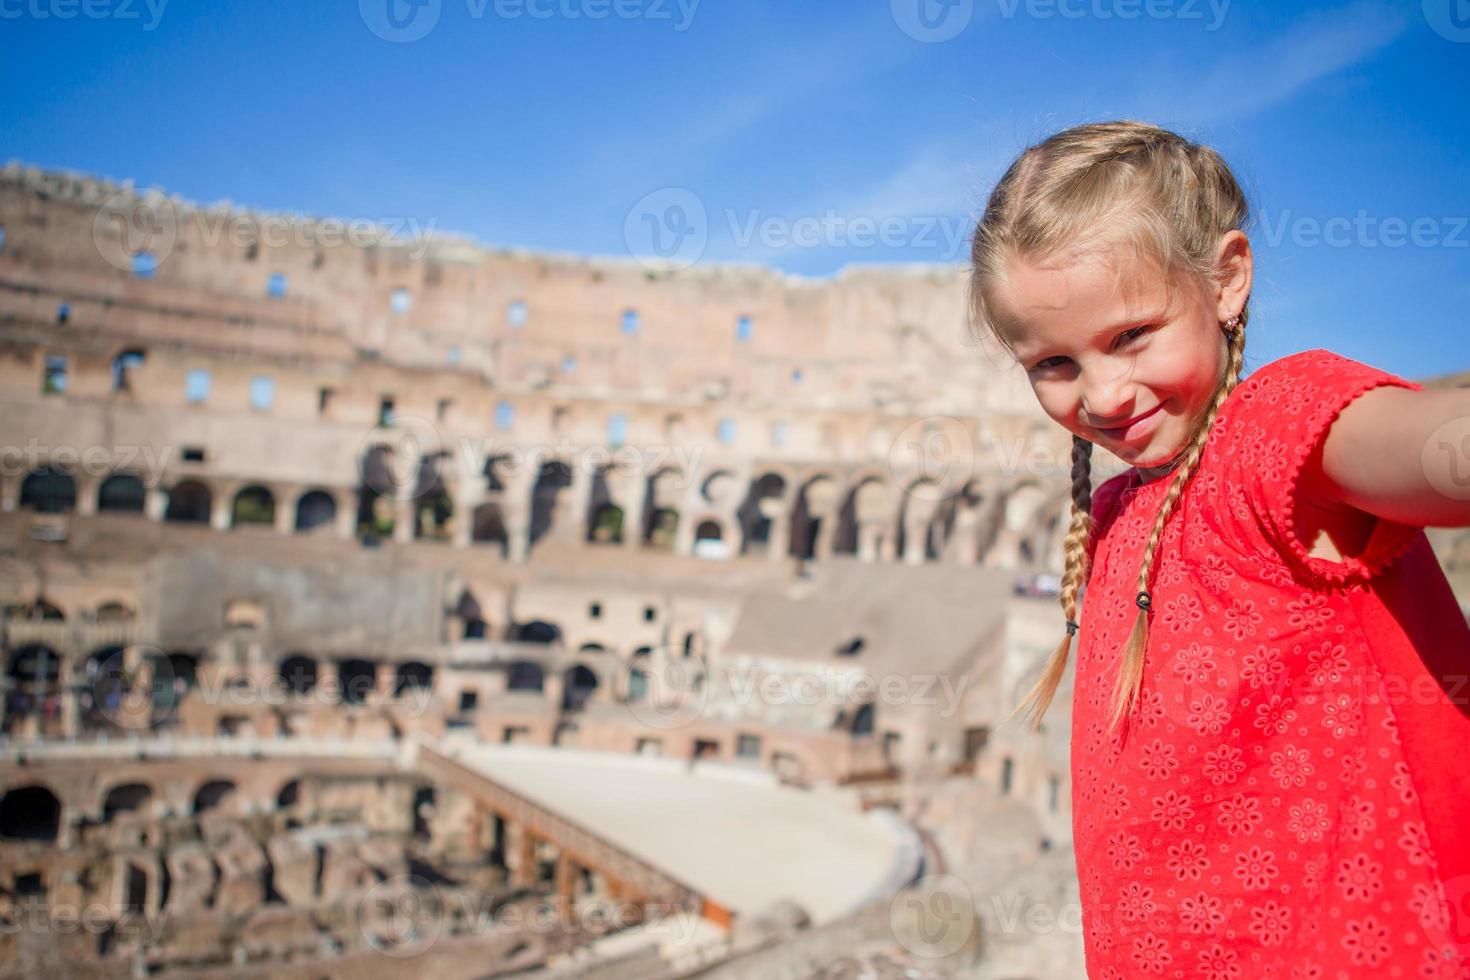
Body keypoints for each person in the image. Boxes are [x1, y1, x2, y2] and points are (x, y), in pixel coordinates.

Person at [968, 120, 1470, 977]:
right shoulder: (1121, 509)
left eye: (1131, 336)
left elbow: (1434, 446)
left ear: (1227, 280)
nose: (1103, 392)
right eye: (1052, 363)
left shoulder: (1270, 434)